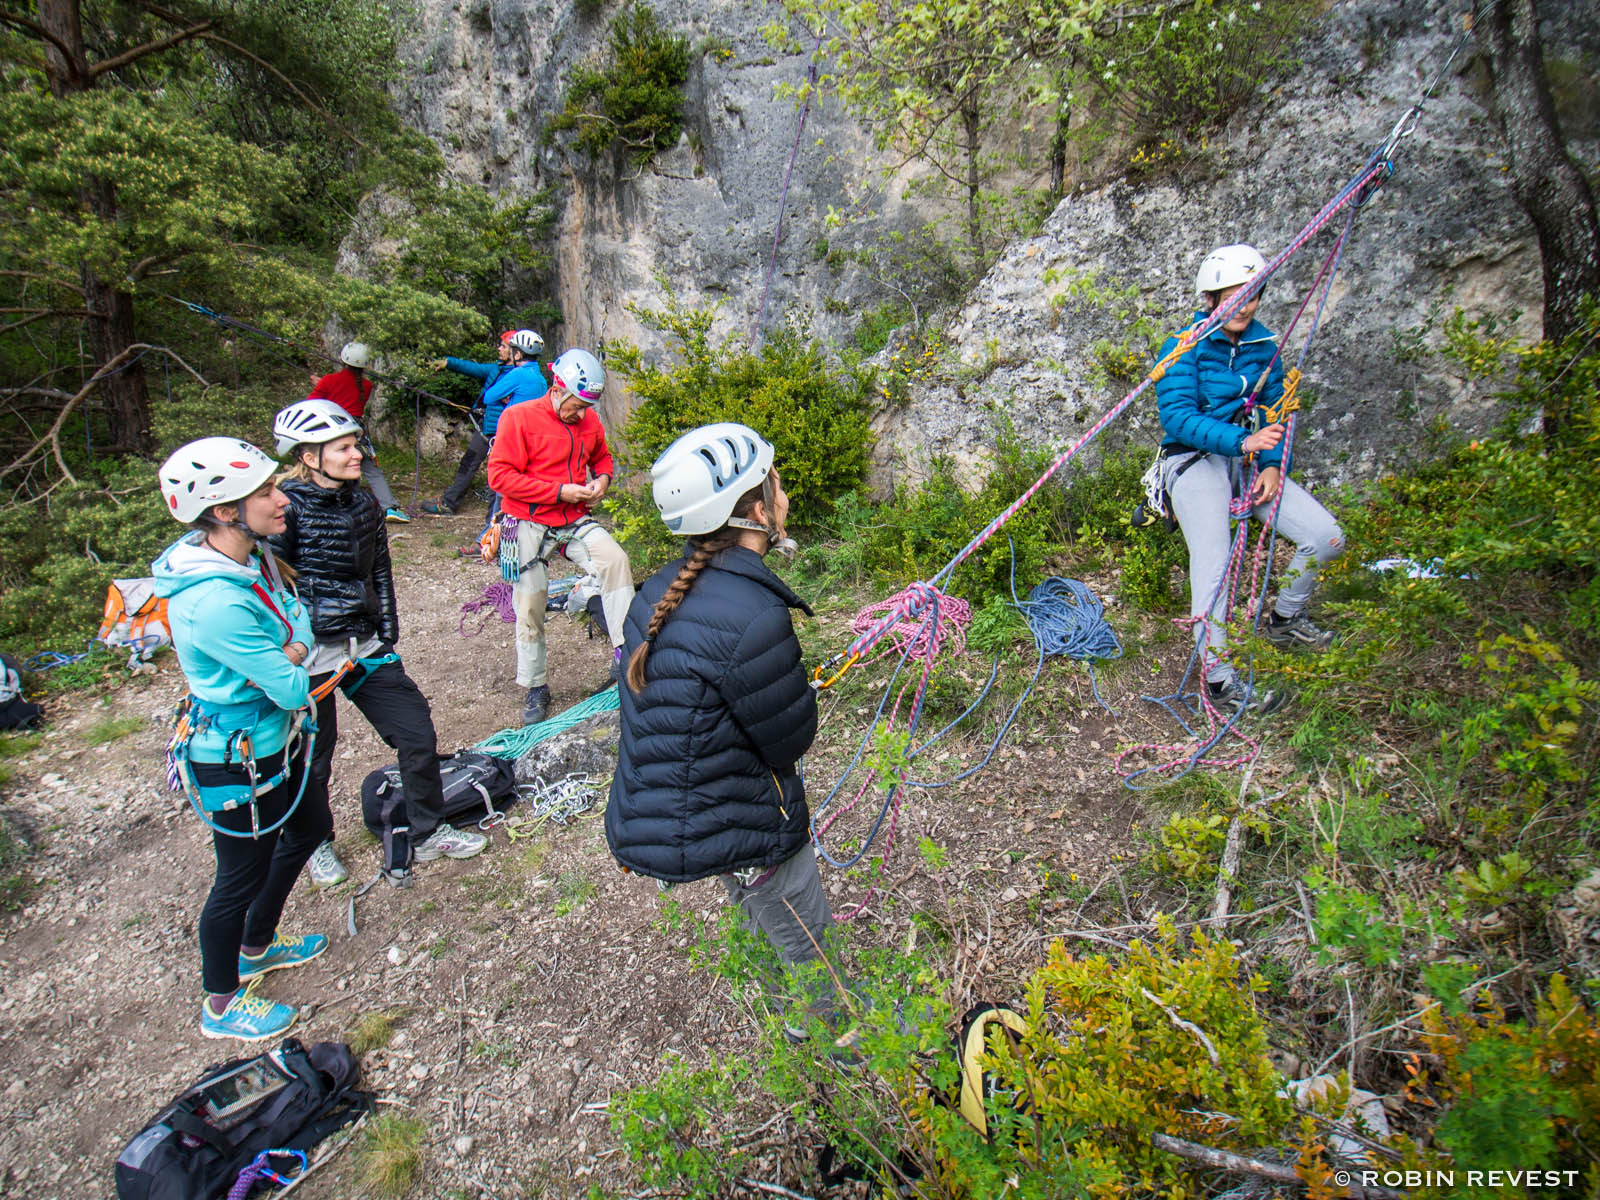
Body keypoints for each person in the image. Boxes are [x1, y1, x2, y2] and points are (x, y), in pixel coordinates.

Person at [605, 423, 845, 1034]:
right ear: (758, 512)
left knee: (758, 909)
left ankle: (790, 1017)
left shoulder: (654, 592)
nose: (786, 497)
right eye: (778, 486)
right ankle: (839, 1044)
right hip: (742, 816)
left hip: (692, 813)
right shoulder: (752, 612)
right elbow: (790, 741)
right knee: (808, 943)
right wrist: (796, 691)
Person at [269, 399, 487, 888]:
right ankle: (314, 842)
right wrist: (287, 649)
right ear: (309, 456)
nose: (356, 455)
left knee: (415, 733)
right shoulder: (286, 512)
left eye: (355, 445)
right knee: (312, 756)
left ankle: (429, 832)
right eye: (343, 448)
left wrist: (387, 631)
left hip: (364, 645)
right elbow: (270, 587)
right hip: (308, 654)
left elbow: (381, 570)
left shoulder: (365, 501)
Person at [152, 437, 328, 1041]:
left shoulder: (247, 560)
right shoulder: (213, 601)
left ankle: (257, 945)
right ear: (225, 512)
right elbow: (286, 682)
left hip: (271, 742)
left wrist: (294, 645)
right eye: (266, 493)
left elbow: (296, 614)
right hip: (235, 757)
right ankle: (221, 1003)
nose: (282, 500)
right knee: (238, 878)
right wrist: (296, 652)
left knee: (308, 829)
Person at [1154, 242, 1346, 715]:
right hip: (1192, 462)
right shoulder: (1186, 345)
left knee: (1326, 538)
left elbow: (1276, 411)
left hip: (1249, 464)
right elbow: (1177, 417)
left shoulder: (1265, 347)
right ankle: (1218, 682)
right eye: (1230, 295)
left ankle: (1285, 618)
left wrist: (1273, 464)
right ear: (1212, 298)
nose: (1242, 305)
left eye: (1251, 294)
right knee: (1215, 563)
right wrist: (1243, 444)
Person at [485, 348, 634, 726]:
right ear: (557, 388)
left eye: (587, 405)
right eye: (576, 404)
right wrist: (558, 492)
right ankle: (536, 685)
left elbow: (602, 457)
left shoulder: (590, 422)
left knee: (615, 561)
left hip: (572, 518)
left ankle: (624, 658)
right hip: (526, 518)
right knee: (530, 599)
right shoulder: (518, 418)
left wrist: (601, 479)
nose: (581, 413)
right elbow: (499, 477)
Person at [422, 328, 545, 519]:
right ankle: (451, 502)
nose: (500, 349)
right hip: (490, 428)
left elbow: (490, 396)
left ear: (516, 353)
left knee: (495, 479)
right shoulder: (499, 369)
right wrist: (448, 362)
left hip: (499, 432)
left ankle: (491, 525)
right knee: (470, 463)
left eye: (504, 347)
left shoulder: (515, 374)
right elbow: (473, 368)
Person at [308, 341, 409, 523]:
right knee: (371, 469)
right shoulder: (367, 385)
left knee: (334, 467)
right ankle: (389, 507)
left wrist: (321, 384)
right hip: (356, 429)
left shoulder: (329, 381)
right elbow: (348, 392)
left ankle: (336, 506)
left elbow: (312, 403)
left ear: (343, 359)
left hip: (333, 429)